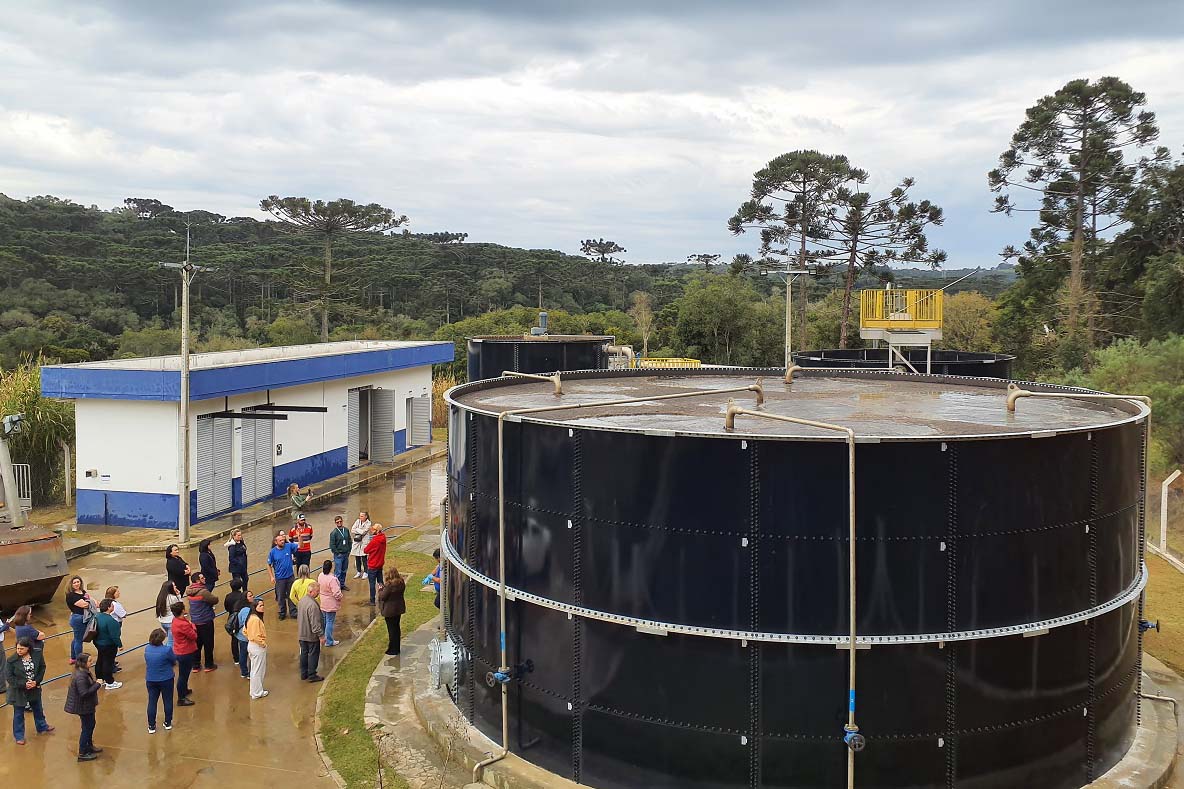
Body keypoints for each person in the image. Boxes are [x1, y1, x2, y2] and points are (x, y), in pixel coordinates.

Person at [5, 637, 53, 744]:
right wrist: (24, 684)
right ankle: (19, 736)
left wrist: (36, 682)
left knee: (38, 708)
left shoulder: (37, 654)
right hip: (18, 690)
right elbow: (9, 678)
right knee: (18, 713)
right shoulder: (11, 660)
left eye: (22, 649)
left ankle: (42, 726)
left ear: (28, 648)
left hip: (34, 687)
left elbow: (42, 668)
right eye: (17, 648)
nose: (19, 651)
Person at [63, 652, 102, 760]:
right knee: (87, 728)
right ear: (83, 663)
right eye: (89, 661)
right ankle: (82, 752)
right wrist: (98, 684)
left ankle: (89, 746)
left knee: (91, 724)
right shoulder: (80, 676)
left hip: (87, 705)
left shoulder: (83, 672)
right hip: (83, 706)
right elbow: (84, 693)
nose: (92, 662)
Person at [143, 628, 177, 734]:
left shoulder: (147, 649)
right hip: (166, 678)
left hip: (151, 678)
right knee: (167, 700)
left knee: (152, 701)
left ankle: (151, 725)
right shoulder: (166, 650)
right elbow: (173, 660)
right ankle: (168, 722)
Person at [185, 572, 219, 671]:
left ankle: (195, 665)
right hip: (206, 621)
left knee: (197, 644)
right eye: (202, 578)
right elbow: (214, 600)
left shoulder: (189, 590)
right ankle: (209, 665)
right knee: (208, 644)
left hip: (195, 621)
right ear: (197, 580)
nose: (205, 579)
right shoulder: (203, 592)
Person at [169, 602, 198, 706]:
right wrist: (193, 625)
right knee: (183, 675)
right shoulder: (183, 624)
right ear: (182, 610)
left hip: (180, 649)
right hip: (185, 651)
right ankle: (181, 698)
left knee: (184, 673)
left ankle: (184, 690)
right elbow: (193, 636)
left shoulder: (176, 620)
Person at [267, 532, 299, 620]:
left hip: (290, 576)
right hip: (280, 578)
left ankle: (293, 612)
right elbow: (268, 564)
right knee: (281, 597)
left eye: (283, 540)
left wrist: (300, 537)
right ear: (276, 542)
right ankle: (282, 612)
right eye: (280, 540)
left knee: (291, 595)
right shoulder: (272, 552)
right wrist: (271, 576)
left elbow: (300, 546)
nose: (282, 542)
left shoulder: (289, 546)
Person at [93, 599, 123, 690]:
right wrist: (120, 645)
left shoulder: (96, 616)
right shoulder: (111, 621)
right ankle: (110, 682)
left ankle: (99, 679)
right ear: (109, 608)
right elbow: (115, 636)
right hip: (108, 645)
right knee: (108, 662)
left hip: (98, 643)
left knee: (100, 660)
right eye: (112, 605)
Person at [297, 584, 324, 682]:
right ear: (311, 591)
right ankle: (312, 674)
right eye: (317, 591)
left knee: (304, 654)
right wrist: (321, 635)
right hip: (311, 635)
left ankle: (304, 673)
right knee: (313, 654)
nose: (318, 593)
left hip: (302, 633)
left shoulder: (302, 601)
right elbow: (315, 623)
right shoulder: (312, 605)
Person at [377, 566, 407, 657]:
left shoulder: (389, 585)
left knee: (391, 630)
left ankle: (392, 649)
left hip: (389, 610)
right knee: (396, 628)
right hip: (398, 608)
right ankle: (396, 647)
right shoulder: (401, 582)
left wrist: (380, 590)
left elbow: (383, 597)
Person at [245, 597, 269, 699]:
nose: (263, 607)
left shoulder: (251, 617)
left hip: (252, 644)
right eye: (260, 605)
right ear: (255, 607)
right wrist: (262, 643)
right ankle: (257, 692)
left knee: (255, 669)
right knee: (257, 670)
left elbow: (244, 631)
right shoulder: (255, 619)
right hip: (257, 646)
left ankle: (254, 691)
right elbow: (255, 636)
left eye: (263, 605)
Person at [65, 575, 92, 663]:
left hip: (82, 618)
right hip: (78, 619)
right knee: (79, 640)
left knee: (76, 638)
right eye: (74, 583)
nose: (77, 584)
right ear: (71, 585)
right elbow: (85, 604)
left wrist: (92, 602)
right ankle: (80, 661)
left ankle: (73, 658)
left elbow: (90, 599)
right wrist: (91, 603)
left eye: (78, 582)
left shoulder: (82, 592)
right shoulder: (71, 595)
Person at [317, 559, 343, 647]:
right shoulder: (332, 579)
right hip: (330, 602)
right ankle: (329, 641)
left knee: (324, 620)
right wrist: (340, 597)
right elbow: (336, 593)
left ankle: (323, 637)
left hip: (323, 601)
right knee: (329, 621)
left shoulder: (320, 575)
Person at [223, 578, 248, 669]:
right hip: (241, 619)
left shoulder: (228, 596)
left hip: (232, 619)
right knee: (244, 638)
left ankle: (236, 658)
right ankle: (244, 656)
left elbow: (226, 608)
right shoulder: (242, 596)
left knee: (234, 639)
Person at [363, 522, 387, 605]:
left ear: (376, 531)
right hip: (380, 564)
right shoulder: (383, 538)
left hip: (373, 565)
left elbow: (366, 550)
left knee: (372, 584)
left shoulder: (374, 541)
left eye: (373, 529)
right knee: (380, 582)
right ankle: (383, 597)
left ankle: (372, 600)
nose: (371, 530)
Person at [155, 581, 183, 648]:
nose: (176, 587)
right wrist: (178, 595)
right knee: (171, 642)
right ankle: (169, 655)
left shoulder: (161, 597)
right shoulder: (172, 598)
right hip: (171, 622)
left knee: (170, 639)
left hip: (163, 621)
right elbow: (180, 606)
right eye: (174, 586)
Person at [329, 515, 351, 590]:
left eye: (340, 521)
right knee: (338, 572)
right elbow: (332, 545)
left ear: (342, 521)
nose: (339, 523)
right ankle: (336, 586)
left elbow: (349, 540)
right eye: (337, 522)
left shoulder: (346, 530)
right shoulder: (334, 533)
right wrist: (337, 553)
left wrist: (349, 550)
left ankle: (342, 584)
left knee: (344, 570)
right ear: (335, 523)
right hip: (338, 555)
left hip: (346, 554)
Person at [234, 594, 252, 678]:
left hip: (241, 636)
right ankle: (247, 672)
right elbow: (247, 623)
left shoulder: (243, 608)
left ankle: (244, 672)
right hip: (246, 636)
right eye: (250, 596)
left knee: (243, 653)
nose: (252, 597)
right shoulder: (246, 610)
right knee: (248, 654)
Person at [350, 511, 372, 578]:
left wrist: (357, 529)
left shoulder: (368, 523)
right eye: (360, 516)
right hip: (357, 542)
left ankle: (366, 572)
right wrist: (359, 530)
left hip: (364, 542)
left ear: (366, 516)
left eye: (362, 516)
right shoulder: (357, 521)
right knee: (357, 557)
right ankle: (358, 572)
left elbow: (363, 532)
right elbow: (352, 530)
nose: (360, 517)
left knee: (364, 558)